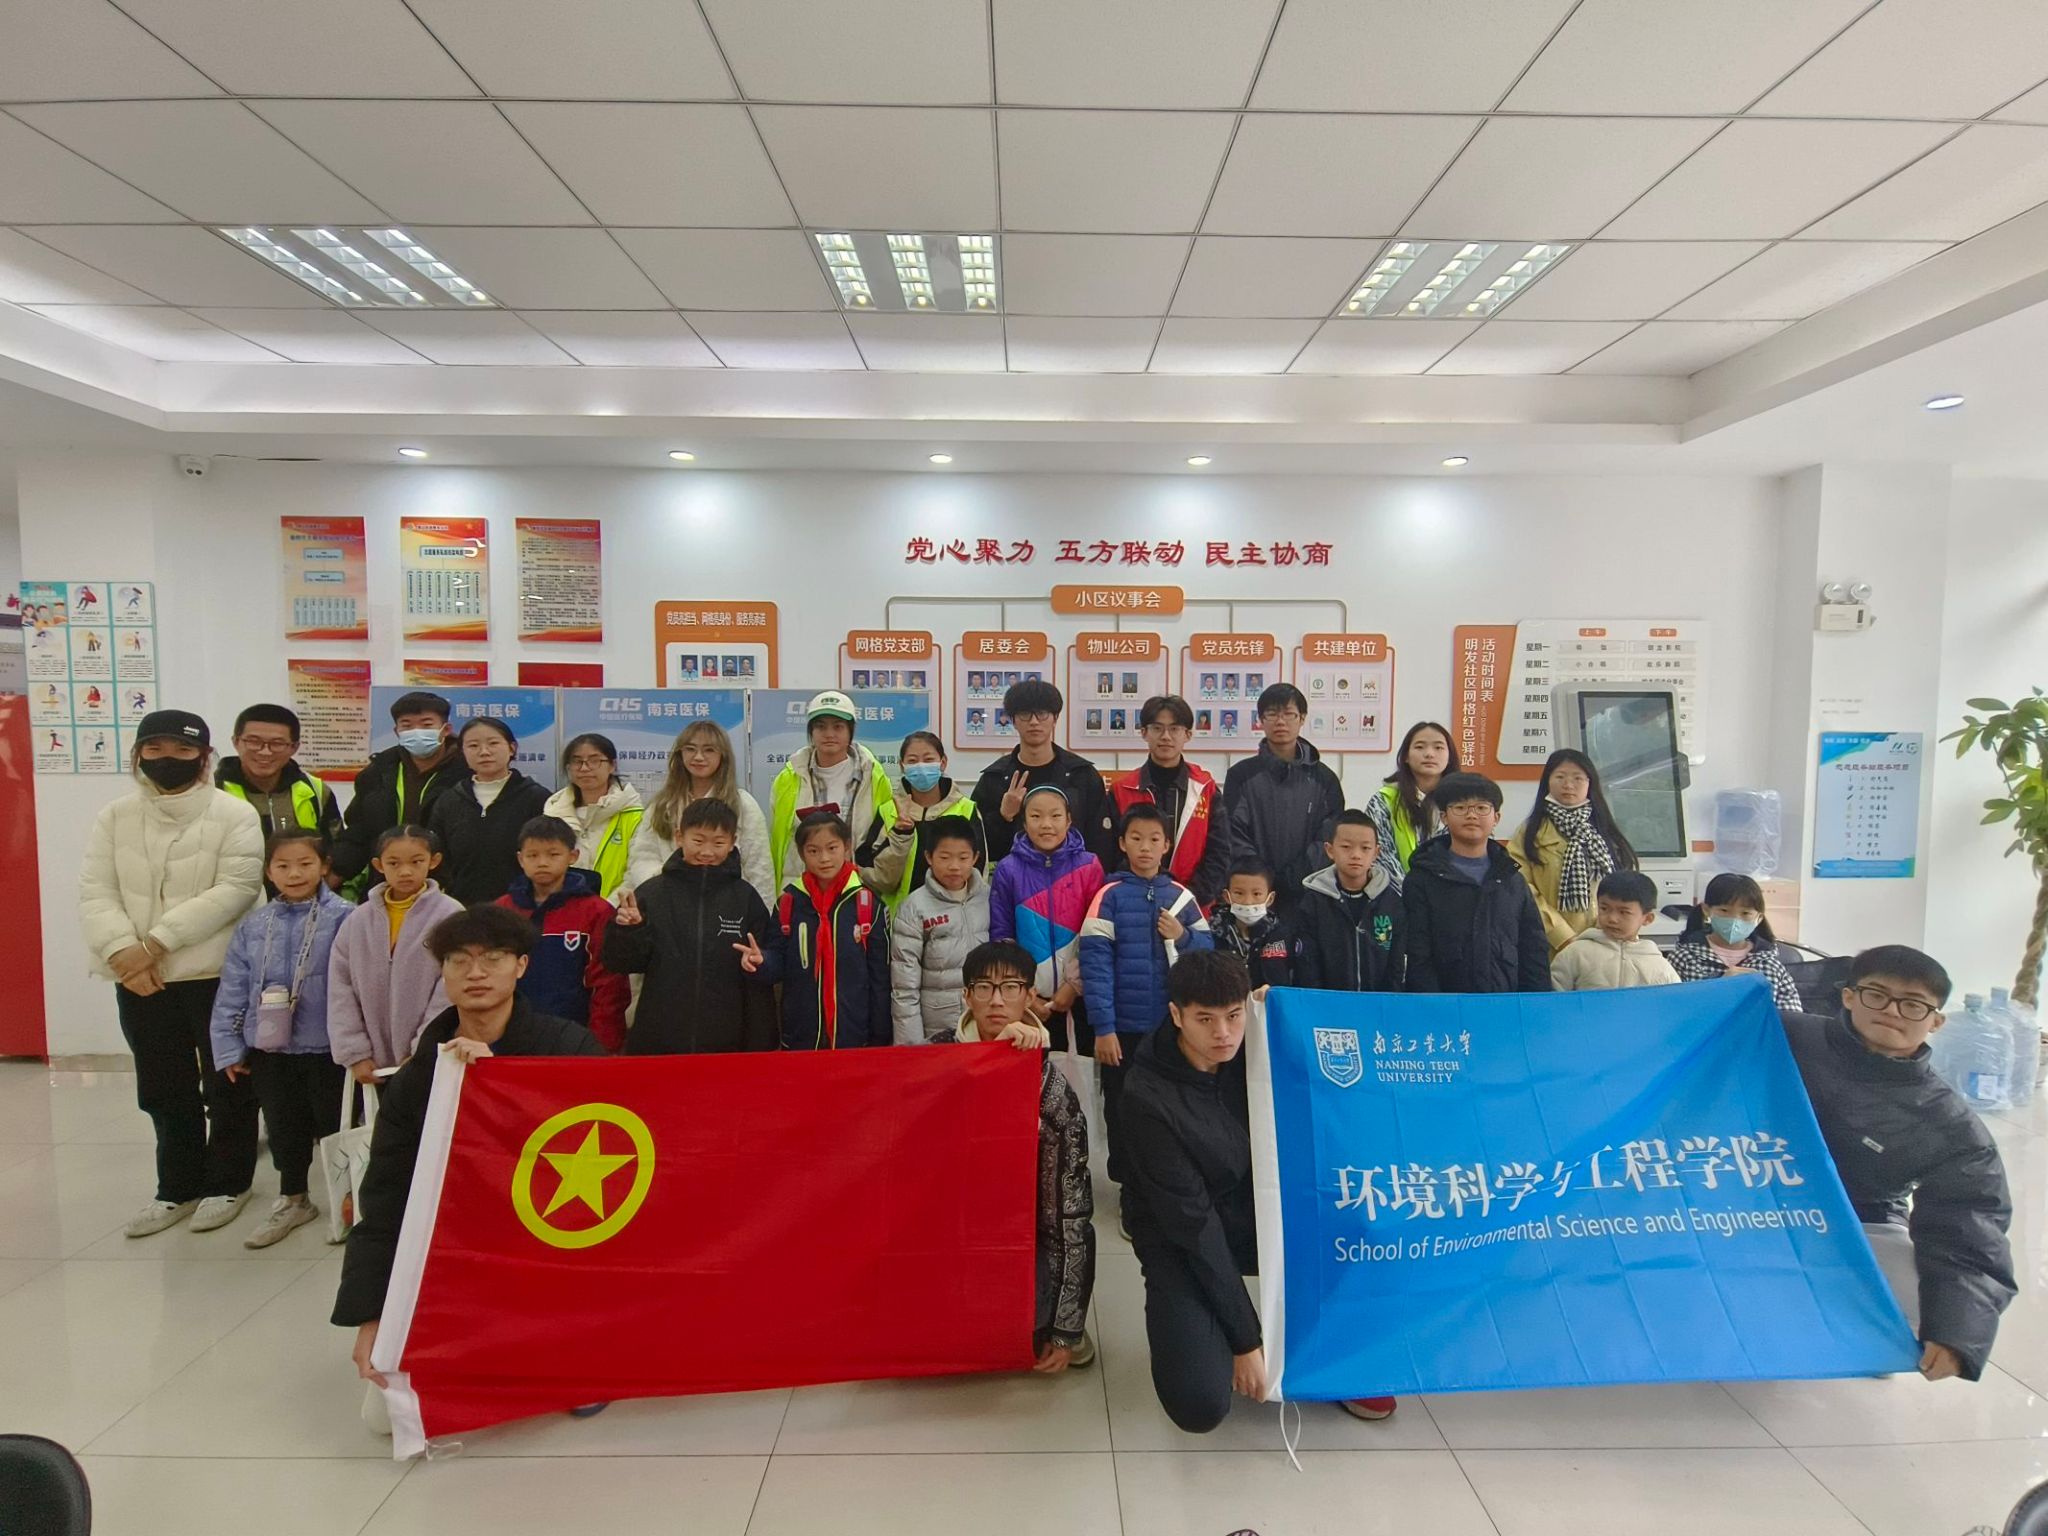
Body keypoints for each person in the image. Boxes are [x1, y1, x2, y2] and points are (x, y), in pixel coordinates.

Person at [334, 905, 605, 1404]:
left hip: (556, 1239)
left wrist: (501, 1082)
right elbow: (387, 1198)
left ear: (521, 965)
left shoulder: (569, 1046)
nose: (476, 973)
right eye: (459, 960)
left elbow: (611, 1152)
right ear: (442, 972)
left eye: (493, 958)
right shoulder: (419, 1076)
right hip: (462, 1249)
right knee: (390, 1414)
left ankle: (576, 1343)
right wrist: (373, 1314)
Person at [1123, 950, 1393, 1431]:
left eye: (1233, 1016)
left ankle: (1337, 1352)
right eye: (1205, 1019)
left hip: (1258, 1215)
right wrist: (1245, 1340)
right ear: (1176, 1016)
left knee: (1360, 1226)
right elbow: (1195, 1230)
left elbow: (1334, 1062)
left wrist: (1286, 1011)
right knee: (1199, 1404)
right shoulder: (1147, 1097)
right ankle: (1221, 1333)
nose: (1223, 1033)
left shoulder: (1256, 1043)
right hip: (1179, 1237)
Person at [1784, 945, 2014, 1381]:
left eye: (1912, 1004)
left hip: (1857, 1221)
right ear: (1849, 996)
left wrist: (1957, 1333)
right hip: (1743, 1206)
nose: (1892, 1011)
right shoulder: (1783, 1034)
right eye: (1877, 995)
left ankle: (1863, 1337)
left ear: (1936, 1021)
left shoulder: (1948, 1123)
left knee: (1924, 1302)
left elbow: (1971, 1222)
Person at [79, 710, 266, 1240]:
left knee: (229, 1083)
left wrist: (153, 945)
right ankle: (177, 1187)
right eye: (155, 749)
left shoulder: (233, 814)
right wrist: (122, 953)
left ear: (204, 757)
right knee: (163, 1087)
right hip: (140, 978)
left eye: (183, 751)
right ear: (138, 755)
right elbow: (96, 890)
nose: (168, 760)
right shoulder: (115, 816)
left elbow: (235, 889)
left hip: (216, 974)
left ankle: (229, 1183)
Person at [943, 940, 1097, 1369]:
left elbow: (1068, 1216)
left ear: (1030, 996)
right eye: (984, 988)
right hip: (950, 1224)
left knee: (1030, 1328)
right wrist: (989, 1058)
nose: (996, 1001)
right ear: (966, 995)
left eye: (1010, 988)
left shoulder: (1051, 1091)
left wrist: (1065, 1330)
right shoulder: (936, 1059)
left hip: (1020, 1231)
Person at [208, 830, 350, 1248]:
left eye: (305, 864)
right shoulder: (254, 925)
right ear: (268, 872)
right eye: (283, 866)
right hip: (270, 1047)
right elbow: (234, 987)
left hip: (329, 1046)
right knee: (283, 1125)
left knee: (335, 1125)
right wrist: (229, 1046)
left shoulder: (347, 918)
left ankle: (349, 1200)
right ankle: (293, 1198)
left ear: (324, 867)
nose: (294, 874)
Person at [1080, 804, 1214, 1198]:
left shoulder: (1181, 897)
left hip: (1172, 1030)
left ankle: (1166, 1187)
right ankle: (1130, 1190)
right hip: (1123, 1031)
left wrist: (1182, 936)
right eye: (1136, 838)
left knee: (1170, 1109)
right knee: (1122, 1108)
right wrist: (1104, 1028)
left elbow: (1207, 952)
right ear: (1122, 843)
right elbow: (1095, 965)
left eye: (1154, 839)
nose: (1145, 847)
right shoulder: (1108, 896)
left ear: (1166, 845)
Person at [605, 798, 780, 1055]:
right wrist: (629, 931)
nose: (707, 852)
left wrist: (760, 960)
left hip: (728, 1042)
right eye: (698, 841)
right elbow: (621, 963)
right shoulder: (653, 893)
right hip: (660, 1038)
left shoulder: (745, 898)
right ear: (679, 837)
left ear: (733, 842)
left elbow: (768, 967)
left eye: (718, 843)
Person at [326, 826, 463, 1079]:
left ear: (434, 861)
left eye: (416, 861)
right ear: (378, 865)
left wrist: (423, 1050)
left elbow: (449, 990)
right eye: (394, 863)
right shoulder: (358, 920)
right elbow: (340, 989)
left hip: (428, 1062)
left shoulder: (451, 916)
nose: (405, 871)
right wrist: (354, 1053)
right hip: (370, 1062)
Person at [1403, 773, 1551, 994]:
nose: (1471, 815)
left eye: (1481, 808)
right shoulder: (1422, 879)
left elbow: (1533, 950)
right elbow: (1418, 955)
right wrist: (1434, 1006)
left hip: (1504, 1005)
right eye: (1460, 808)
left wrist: (1534, 1004)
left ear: (1496, 818)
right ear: (1444, 817)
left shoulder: (1512, 880)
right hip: (1445, 1007)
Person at [495, 817, 631, 1052]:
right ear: (520, 859)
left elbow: (608, 985)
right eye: (533, 855)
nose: (542, 863)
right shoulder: (502, 910)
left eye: (553, 854)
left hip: (575, 1038)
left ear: (573, 856)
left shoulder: (596, 911)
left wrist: (600, 1045)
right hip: (511, 1036)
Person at [988, 784, 1105, 1052]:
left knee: (1080, 1069)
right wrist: (1025, 994)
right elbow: (1002, 936)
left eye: (1055, 816)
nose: (1046, 825)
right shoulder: (1008, 869)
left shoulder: (1089, 866)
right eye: (1036, 816)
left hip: (1081, 997)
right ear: (1024, 821)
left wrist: (1074, 986)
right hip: (1028, 1001)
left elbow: (1096, 934)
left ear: (1069, 820)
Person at [330, 692, 470, 892]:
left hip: (448, 886)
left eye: (426, 724)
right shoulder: (378, 772)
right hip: (387, 883)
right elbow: (359, 831)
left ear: (446, 729)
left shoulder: (467, 772)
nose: (417, 731)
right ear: (397, 732)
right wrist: (336, 872)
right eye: (407, 725)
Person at [774, 812, 891, 1049]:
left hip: (855, 1037)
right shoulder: (788, 903)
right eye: (813, 851)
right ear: (801, 854)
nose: (824, 858)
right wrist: (760, 963)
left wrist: (880, 1037)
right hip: (801, 1037)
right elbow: (777, 962)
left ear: (847, 847)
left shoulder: (867, 904)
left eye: (832, 848)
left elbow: (880, 978)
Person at [1223, 684, 1344, 912]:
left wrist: (1295, 877)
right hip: (1254, 896)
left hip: (1309, 892)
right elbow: (1233, 832)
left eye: (1289, 714)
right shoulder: (1241, 775)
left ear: (1302, 718)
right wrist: (1261, 878)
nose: (1280, 722)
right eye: (1272, 714)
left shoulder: (1324, 779)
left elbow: (1328, 837)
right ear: (1261, 720)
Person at [970, 678, 1116, 866]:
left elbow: (1101, 843)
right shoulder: (995, 778)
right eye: (1025, 714)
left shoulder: (1082, 775)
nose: (1034, 722)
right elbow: (975, 847)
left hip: (1073, 879)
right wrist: (1003, 816)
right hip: (1013, 880)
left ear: (1055, 718)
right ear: (1013, 720)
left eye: (1042, 714)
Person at [1508, 748, 1640, 955]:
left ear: (1590, 783)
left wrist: (1610, 932)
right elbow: (1520, 887)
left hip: (1608, 943)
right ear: (1547, 782)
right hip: (1549, 945)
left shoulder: (1605, 830)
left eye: (1578, 778)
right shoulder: (1529, 832)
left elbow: (1628, 887)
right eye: (1560, 777)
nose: (1568, 785)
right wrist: (1562, 936)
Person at [628, 719, 772, 900]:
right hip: (669, 902)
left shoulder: (742, 804)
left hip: (727, 905)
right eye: (690, 749)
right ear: (680, 754)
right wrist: (666, 885)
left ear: (723, 756)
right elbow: (642, 857)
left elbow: (759, 869)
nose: (698, 757)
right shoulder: (663, 804)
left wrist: (759, 914)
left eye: (709, 750)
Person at [768, 690, 898, 891]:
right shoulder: (788, 779)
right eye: (821, 727)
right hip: (802, 891)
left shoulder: (875, 778)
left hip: (856, 890)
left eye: (838, 727)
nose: (829, 734)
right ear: (811, 732)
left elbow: (881, 841)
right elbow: (779, 844)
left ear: (850, 731)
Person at [1111, 695, 1229, 912]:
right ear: (1144, 732)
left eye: (1174, 729)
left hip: (1193, 906)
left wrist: (1186, 899)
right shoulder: (1122, 789)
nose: (1166, 736)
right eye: (1157, 728)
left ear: (1188, 735)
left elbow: (1219, 853)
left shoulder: (1205, 788)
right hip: (1134, 904)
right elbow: (1112, 853)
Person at [427, 716, 551, 904]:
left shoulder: (537, 798)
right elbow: (438, 857)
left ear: (512, 748)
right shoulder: (448, 800)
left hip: (523, 906)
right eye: (473, 746)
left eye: (493, 743)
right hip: (462, 907)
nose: (484, 752)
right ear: (462, 752)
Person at [888, 819, 990, 1044]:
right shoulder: (914, 907)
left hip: (984, 1025)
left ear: (975, 858)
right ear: (928, 857)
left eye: (963, 858)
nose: (954, 866)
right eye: (944, 857)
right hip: (937, 1028)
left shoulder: (989, 898)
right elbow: (904, 985)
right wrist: (912, 1045)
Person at [1291, 810, 1405, 992]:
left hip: (1379, 1005)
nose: (1356, 855)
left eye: (1365, 848)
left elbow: (1396, 965)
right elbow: (1307, 966)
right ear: (1330, 850)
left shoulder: (1391, 902)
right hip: (1327, 1004)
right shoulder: (1313, 902)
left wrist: (1390, 1001)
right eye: (1346, 847)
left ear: (1376, 852)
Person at [869, 730, 984, 908]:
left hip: (952, 916)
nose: (921, 767)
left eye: (929, 760)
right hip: (899, 915)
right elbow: (875, 876)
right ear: (902, 766)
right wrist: (899, 834)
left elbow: (978, 872)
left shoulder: (966, 810)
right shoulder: (888, 811)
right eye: (912, 761)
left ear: (943, 763)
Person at [214, 703, 345, 852]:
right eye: (254, 741)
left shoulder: (316, 791)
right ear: (236, 742)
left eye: (277, 743)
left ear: (294, 747)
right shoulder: (212, 790)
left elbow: (335, 849)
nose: (265, 752)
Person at [1667, 872, 1803, 1012]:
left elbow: (1791, 1017)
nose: (1735, 919)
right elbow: (1671, 1011)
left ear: (1759, 918)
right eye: (1724, 910)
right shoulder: (1684, 959)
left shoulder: (1770, 965)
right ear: (1706, 910)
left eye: (1745, 913)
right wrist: (1720, 988)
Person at [542, 733, 644, 900]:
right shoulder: (554, 814)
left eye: (595, 760)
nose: (584, 768)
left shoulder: (633, 815)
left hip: (616, 908)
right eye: (577, 761)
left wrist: (606, 908)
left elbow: (636, 871)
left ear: (612, 765)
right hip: (562, 908)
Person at [1364, 721, 1460, 890]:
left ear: (1449, 756)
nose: (1429, 754)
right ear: (1406, 756)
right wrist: (1412, 893)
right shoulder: (1384, 800)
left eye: (1438, 747)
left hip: (1452, 895)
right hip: (1397, 896)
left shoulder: (1463, 802)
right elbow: (1380, 856)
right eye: (1420, 747)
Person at [1550, 870, 1681, 992]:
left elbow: (1673, 1002)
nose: (1612, 918)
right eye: (1604, 908)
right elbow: (1552, 997)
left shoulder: (1658, 965)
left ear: (1647, 918)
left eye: (1624, 912)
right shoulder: (1576, 953)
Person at [1213, 862, 1294, 990]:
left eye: (1256, 894)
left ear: (1270, 898)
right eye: (1239, 893)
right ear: (1227, 896)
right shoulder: (1213, 932)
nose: (1248, 901)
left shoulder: (1281, 935)